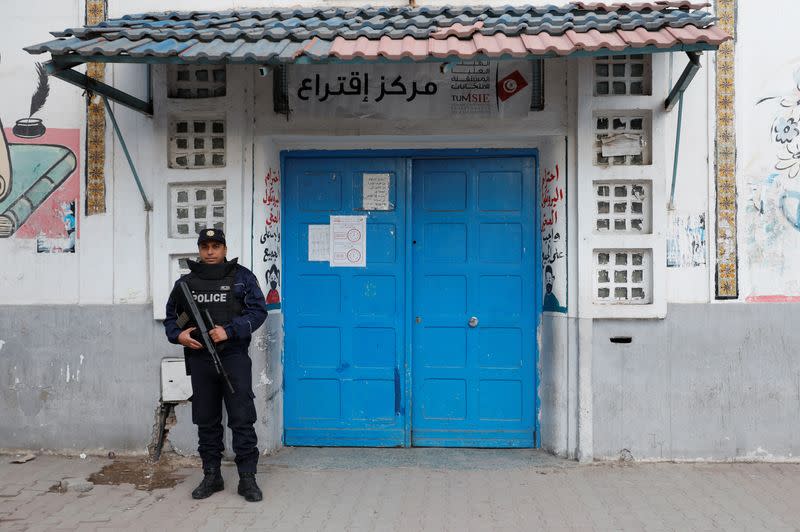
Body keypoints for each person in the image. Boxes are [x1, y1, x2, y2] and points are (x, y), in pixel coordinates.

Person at [163, 228, 268, 502]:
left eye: (216, 246)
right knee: (207, 421)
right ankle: (212, 476)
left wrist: (230, 331)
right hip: (200, 359)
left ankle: (248, 479)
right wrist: (179, 335)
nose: (210, 252)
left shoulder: (242, 278)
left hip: (233, 358)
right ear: (199, 249)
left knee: (242, 419)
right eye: (205, 246)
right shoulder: (185, 284)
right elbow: (171, 318)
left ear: (224, 248)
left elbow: (258, 312)